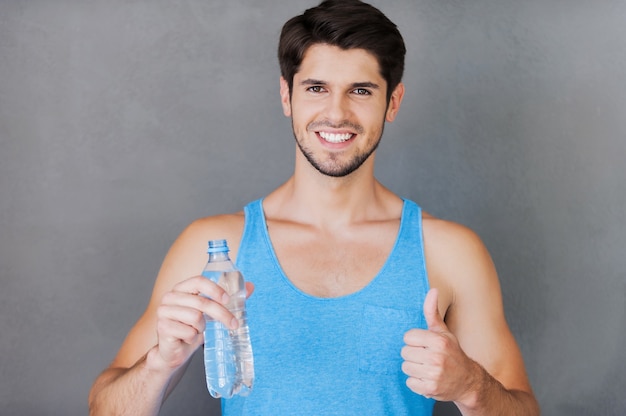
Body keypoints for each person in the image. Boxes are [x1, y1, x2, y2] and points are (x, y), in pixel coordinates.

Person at [89, 0, 540, 415]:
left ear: (393, 102)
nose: (336, 113)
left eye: (361, 91)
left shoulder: (449, 251)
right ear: (287, 97)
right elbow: (104, 408)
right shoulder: (213, 248)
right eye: (317, 88)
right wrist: (160, 363)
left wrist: (470, 387)